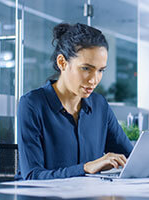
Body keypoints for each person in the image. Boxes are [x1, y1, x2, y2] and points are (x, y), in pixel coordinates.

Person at [16, 23, 133, 180]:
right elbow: (31, 175)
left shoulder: (99, 106)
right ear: (62, 63)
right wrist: (85, 168)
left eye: (101, 70)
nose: (94, 80)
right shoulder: (33, 104)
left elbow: (130, 157)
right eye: (86, 68)